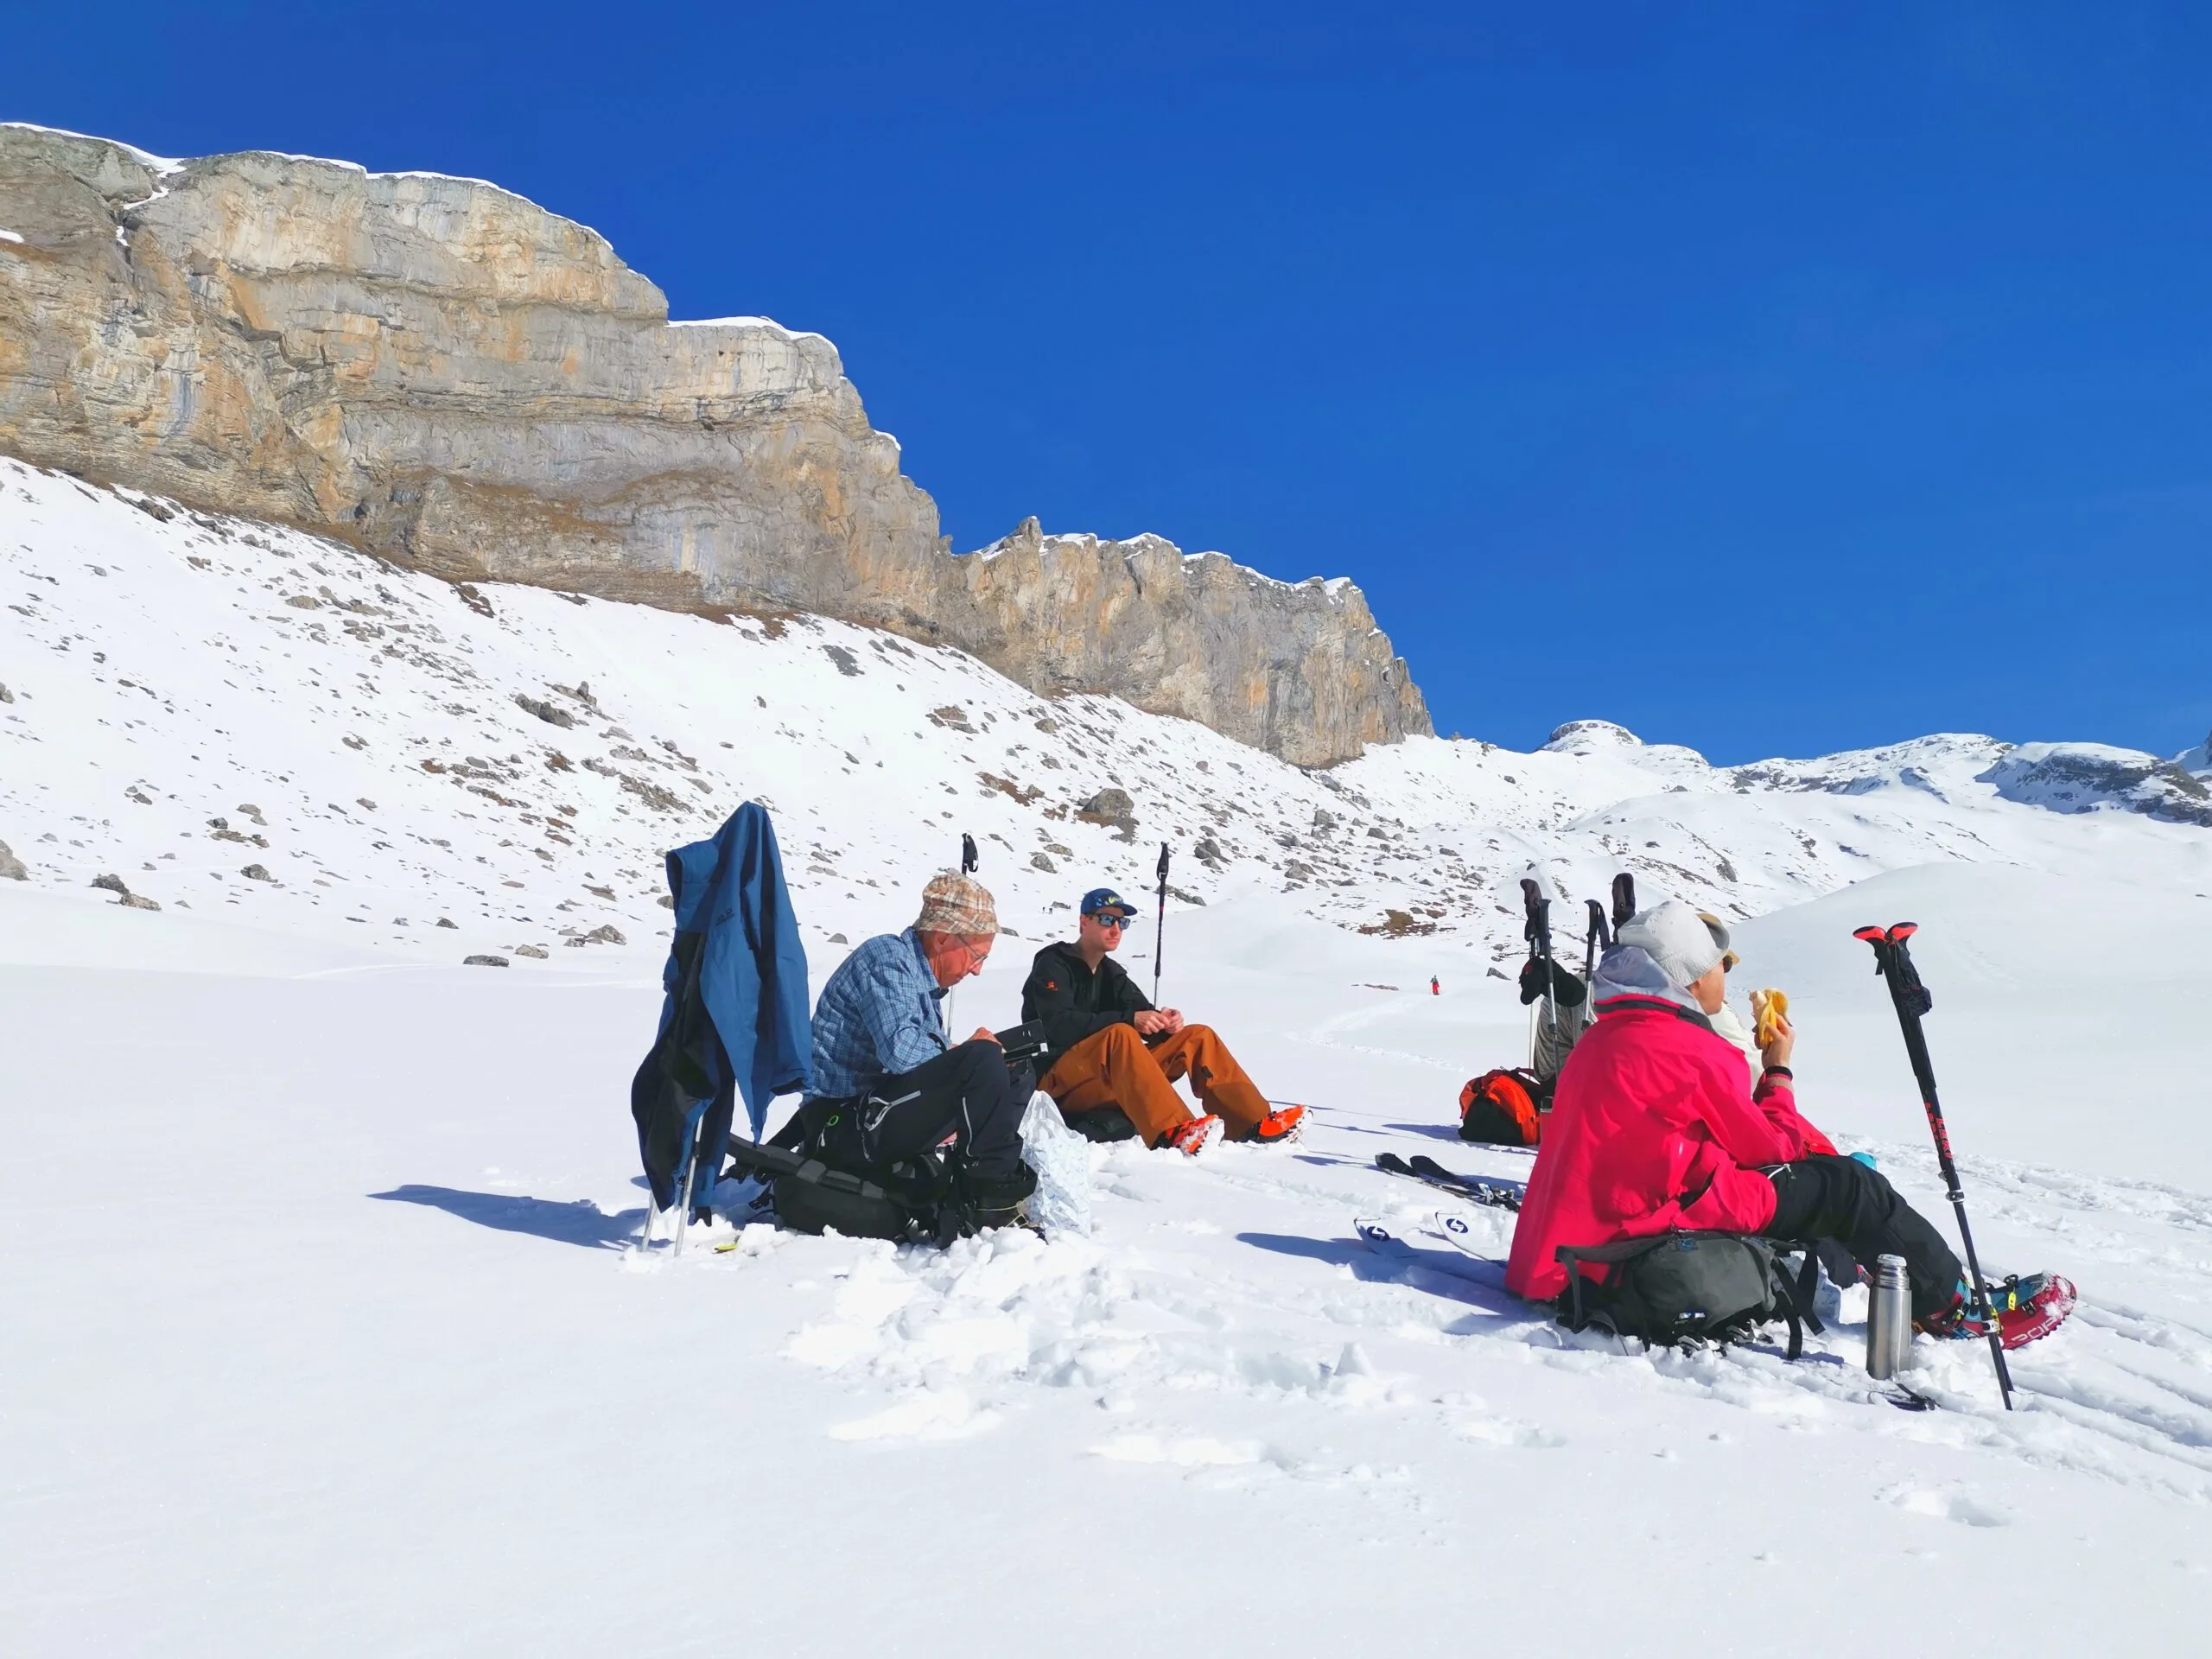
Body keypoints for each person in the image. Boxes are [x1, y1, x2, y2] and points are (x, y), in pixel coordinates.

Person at [1504, 899, 2071, 1349]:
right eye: (1719, 966)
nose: (1726, 975)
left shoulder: (1603, 1037)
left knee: (1825, 1182)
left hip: (1558, 1256)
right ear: (1691, 979)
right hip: (1635, 1236)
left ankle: (1903, 1280)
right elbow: (1770, 1149)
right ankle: (1958, 1311)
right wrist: (1778, 1070)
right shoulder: (1688, 1048)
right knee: (1849, 1187)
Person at [1020, 886, 1305, 1154]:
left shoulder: (1111, 972)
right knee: (1120, 1033)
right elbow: (1059, 1025)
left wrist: (1164, 1023)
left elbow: (1140, 1012)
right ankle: (1174, 1131)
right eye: (1107, 919)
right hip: (1057, 1082)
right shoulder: (1054, 963)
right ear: (1084, 921)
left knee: (1197, 1036)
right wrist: (1131, 1020)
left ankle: (1252, 1124)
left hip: (1104, 1076)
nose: (1116, 929)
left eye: (1122, 922)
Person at [801, 870, 1029, 1202]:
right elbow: (901, 1053)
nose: (977, 969)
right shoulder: (887, 960)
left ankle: (985, 1176)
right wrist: (965, 1053)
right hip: (839, 1122)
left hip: (872, 1113)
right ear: (942, 939)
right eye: (976, 956)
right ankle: (989, 1195)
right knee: (981, 1059)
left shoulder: (919, 981)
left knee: (1014, 1070)